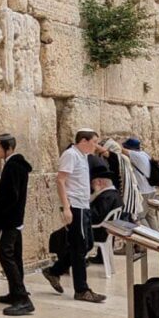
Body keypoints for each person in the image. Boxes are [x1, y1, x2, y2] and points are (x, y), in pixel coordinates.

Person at [43, 129, 105, 303]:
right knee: (79, 248)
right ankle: (81, 290)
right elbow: (61, 180)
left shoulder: (83, 156)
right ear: (84, 141)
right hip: (75, 206)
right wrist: (66, 208)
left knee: (87, 244)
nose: (96, 146)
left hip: (84, 205)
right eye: (94, 142)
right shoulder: (70, 155)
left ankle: (54, 271)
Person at [0, 134, 34, 316]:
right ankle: (16, 292)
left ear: (8, 148)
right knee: (15, 256)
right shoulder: (16, 165)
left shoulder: (13, 167)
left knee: (6, 255)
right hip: (15, 220)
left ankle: (23, 299)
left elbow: (11, 196)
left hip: (9, 221)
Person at [99, 138, 144, 223]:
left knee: (123, 223)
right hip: (128, 196)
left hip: (123, 197)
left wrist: (93, 144)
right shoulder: (123, 158)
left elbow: (107, 153)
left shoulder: (117, 158)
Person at [88, 171, 124, 265]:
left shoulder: (105, 197)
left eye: (93, 183)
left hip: (99, 232)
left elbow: (96, 216)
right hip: (106, 231)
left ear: (99, 182)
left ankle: (66, 264)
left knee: (66, 233)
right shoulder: (114, 194)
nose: (92, 187)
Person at [123, 137, 157, 229]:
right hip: (152, 189)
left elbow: (121, 150)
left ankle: (150, 239)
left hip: (143, 191)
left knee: (140, 217)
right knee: (150, 216)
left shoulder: (135, 155)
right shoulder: (144, 154)